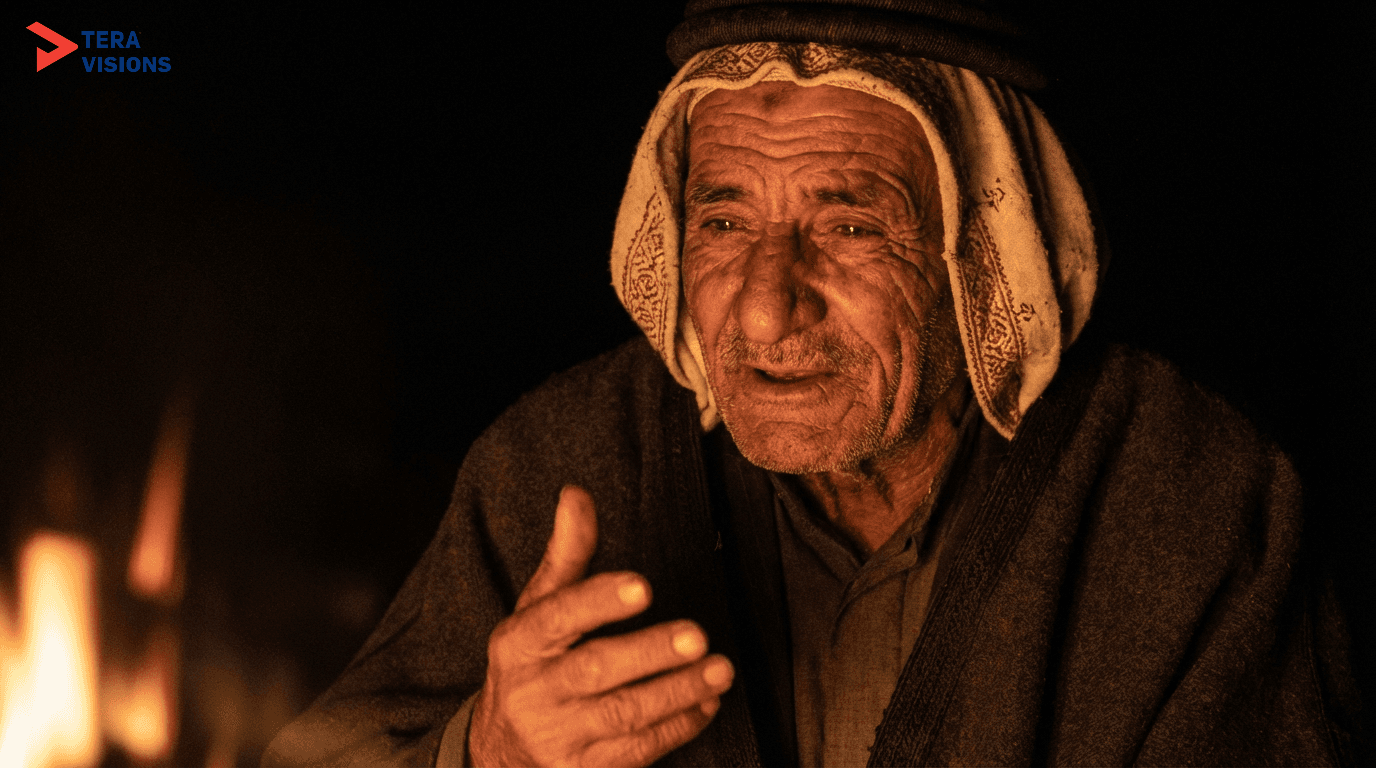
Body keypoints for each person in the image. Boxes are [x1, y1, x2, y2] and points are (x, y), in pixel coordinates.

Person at [264, 2, 1363, 765]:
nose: (758, 306)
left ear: (978, 253)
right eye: (723, 220)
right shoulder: (561, 461)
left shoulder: (1183, 493)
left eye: (846, 223)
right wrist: (490, 753)